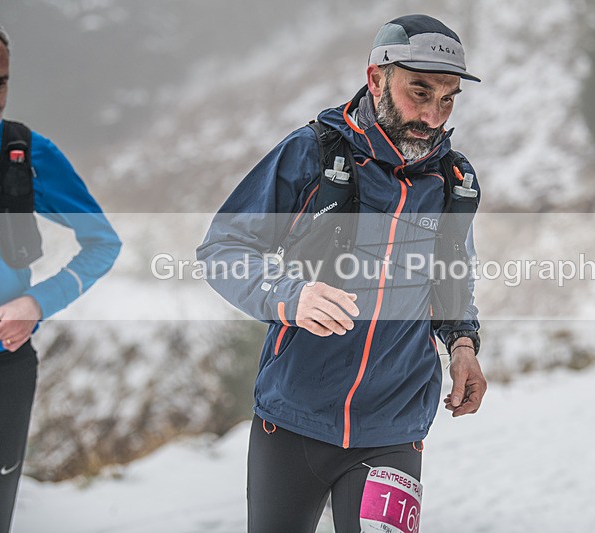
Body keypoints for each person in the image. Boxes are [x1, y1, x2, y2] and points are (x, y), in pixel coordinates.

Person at [198, 14, 486, 532]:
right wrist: (290, 295)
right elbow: (223, 248)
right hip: (292, 419)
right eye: (418, 92)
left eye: (447, 99)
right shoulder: (312, 154)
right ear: (376, 78)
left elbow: (453, 274)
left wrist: (462, 344)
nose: (432, 115)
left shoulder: (452, 181)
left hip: (394, 427)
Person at [0, 17, 121, 532]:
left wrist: (37, 303)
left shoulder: (26, 153)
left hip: (1, 373)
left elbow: (103, 243)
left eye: (0, 83)